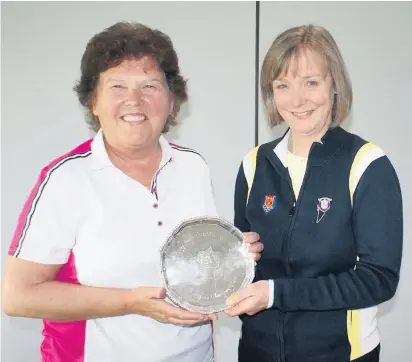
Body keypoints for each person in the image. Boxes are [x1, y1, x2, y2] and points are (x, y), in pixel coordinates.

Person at [1, 22, 263, 362]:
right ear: (93, 101)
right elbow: (18, 297)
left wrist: (232, 258)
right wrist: (130, 301)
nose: (134, 101)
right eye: (117, 86)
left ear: (172, 101)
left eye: (150, 85)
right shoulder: (66, 179)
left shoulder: (193, 166)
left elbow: (192, 263)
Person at [225, 24, 403, 362]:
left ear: (334, 85)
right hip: (257, 351)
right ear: (272, 94)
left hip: (341, 353)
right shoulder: (253, 164)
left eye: (311, 82)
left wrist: (276, 294)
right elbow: (245, 272)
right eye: (283, 85)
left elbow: (378, 279)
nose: (297, 100)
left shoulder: (366, 164)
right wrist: (236, 261)